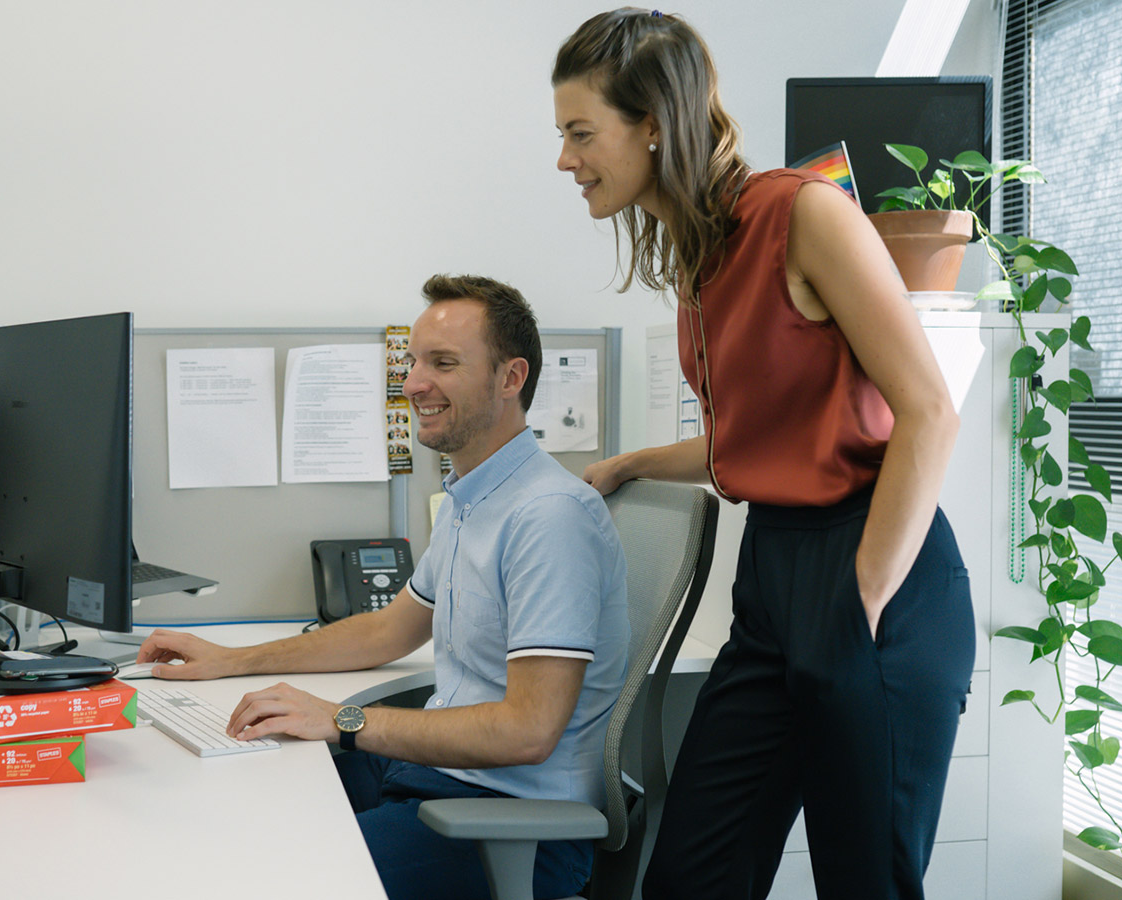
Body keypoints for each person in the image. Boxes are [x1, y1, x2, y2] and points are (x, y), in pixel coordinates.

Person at [551, 10, 975, 900]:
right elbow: (759, 439)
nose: (566, 159)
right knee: (692, 875)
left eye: (581, 133)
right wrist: (632, 464)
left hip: (875, 575)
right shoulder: (702, 255)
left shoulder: (803, 214)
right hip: (774, 580)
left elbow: (930, 412)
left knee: (866, 883)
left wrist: (855, 603)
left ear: (654, 126)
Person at [137, 274, 629, 900]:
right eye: (413, 362)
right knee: (231, 806)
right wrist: (234, 661)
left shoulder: (549, 516)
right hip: (434, 779)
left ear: (511, 379)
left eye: (443, 363)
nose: (413, 384)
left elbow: (526, 730)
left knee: (266, 877)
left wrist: (343, 719)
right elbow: (386, 628)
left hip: (507, 827)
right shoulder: (469, 500)